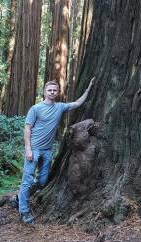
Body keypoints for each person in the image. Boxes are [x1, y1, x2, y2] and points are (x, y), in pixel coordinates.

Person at [17, 78, 95, 224]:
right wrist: (28, 149)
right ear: (44, 92)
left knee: (42, 181)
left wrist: (88, 89)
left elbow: (78, 103)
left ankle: (20, 197)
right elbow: (27, 128)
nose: (52, 92)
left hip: (47, 150)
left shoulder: (60, 107)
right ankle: (24, 211)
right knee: (27, 180)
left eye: (55, 90)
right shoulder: (35, 109)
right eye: (49, 90)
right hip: (33, 149)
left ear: (58, 92)